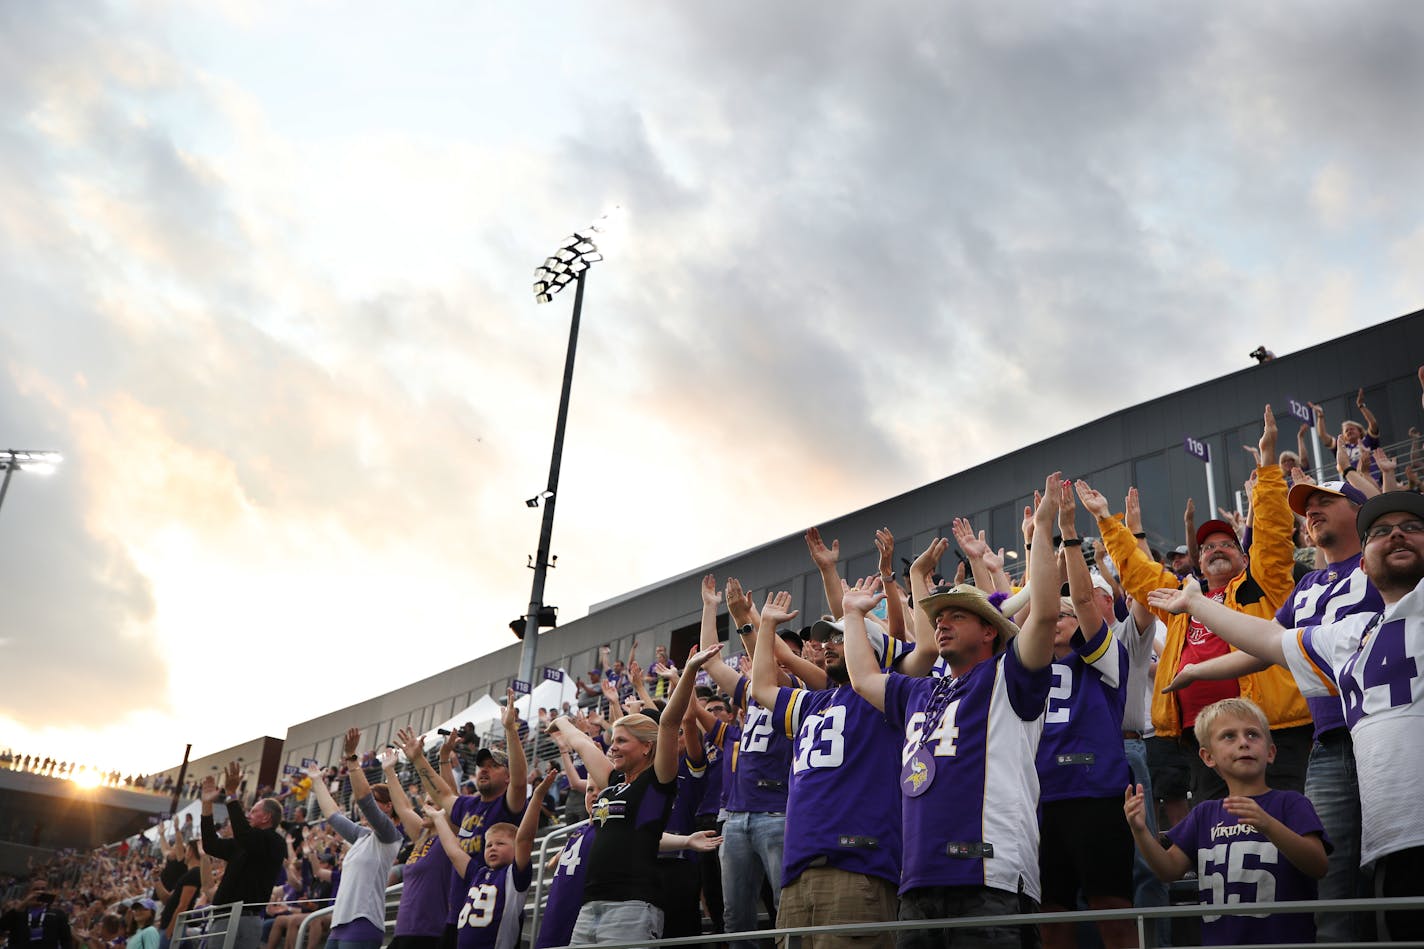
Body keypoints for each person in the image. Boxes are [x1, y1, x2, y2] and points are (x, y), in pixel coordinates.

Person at [1147, 490, 1424, 941]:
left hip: (1376, 739)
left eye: (1325, 500)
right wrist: (1196, 662)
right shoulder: (1335, 615)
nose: (1311, 511)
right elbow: (1269, 642)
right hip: (1337, 743)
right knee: (1341, 886)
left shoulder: (1400, 585)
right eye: (1306, 507)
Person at [845, 473, 1062, 949]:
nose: (941, 626)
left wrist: (1043, 530)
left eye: (955, 617)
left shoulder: (1010, 676)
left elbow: (1044, 614)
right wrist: (853, 615)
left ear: (989, 631)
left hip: (991, 878)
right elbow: (862, 679)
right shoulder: (920, 691)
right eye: (937, 620)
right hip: (919, 882)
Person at [1078, 405, 1310, 801]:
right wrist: (1105, 519)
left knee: (1281, 829)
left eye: (1226, 544)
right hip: (1200, 740)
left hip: (1271, 731)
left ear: (1243, 555)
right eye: (1207, 548)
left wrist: (1269, 466)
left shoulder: (1261, 583)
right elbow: (1137, 573)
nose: (1216, 550)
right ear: (1199, 561)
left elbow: (1271, 533)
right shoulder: (1185, 596)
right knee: (1217, 835)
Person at [752, 587, 907, 949]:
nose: (829, 645)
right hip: (797, 871)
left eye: (841, 638)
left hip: (856, 867)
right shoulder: (812, 703)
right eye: (828, 640)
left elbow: (923, 651)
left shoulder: (886, 695)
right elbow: (761, 687)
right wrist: (765, 628)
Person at [548, 641, 722, 945]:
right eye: (613, 740)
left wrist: (690, 671)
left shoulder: (658, 781)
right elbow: (585, 745)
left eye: (622, 741)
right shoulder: (614, 782)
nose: (612, 747)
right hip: (590, 906)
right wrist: (561, 721)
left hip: (632, 906)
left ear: (646, 747)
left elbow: (668, 722)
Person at [1125, 697, 1328, 946]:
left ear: (1271, 752)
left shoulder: (1291, 804)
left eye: (1253, 735)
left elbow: (1319, 866)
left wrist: (1268, 825)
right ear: (1208, 757)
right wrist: (1140, 831)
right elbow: (1168, 870)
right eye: (1229, 736)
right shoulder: (1203, 814)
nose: (1244, 743)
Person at [1033, 483, 1136, 949]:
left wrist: (1069, 533)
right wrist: (1040, 538)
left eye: (1069, 612)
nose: (1059, 616)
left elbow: (1079, 602)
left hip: (1094, 794)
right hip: (1039, 801)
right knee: (1050, 916)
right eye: (1053, 613)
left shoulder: (1103, 661)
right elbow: (1041, 602)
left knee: (1111, 910)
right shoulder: (1024, 669)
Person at [399, 691, 527, 949]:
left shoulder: (508, 806)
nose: (485, 769)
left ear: (507, 777)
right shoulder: (468, 805)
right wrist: (417, 758)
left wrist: (510, 731)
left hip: (494, 915)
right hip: (458, 913)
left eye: (494, 765)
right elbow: (441, 792)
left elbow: (521, 780)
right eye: (482, 765)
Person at [305, 727, 403, 949]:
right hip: (340, 924)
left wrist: (351, 759)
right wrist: (317, 781)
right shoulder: (362, 835)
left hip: (364, 923)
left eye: (378, 801)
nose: (365, 811)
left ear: (389, 807)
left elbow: (364, 800)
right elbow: (332, 815)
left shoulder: (389, 835)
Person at [428, 770, 548, 949]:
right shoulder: (478, 872)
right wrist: (438, 819)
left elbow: (525, 839)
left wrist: (537, 797)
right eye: (489, 845)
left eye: (500, 843)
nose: (492, 848)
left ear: (516, 849)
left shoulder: (514, 877)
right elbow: (454, 852)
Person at [200, 762, 288, 949]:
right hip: (223, 917)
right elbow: (210, 844)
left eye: (254, 811)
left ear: (266, 818)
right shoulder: (244, 842)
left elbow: (245, 834)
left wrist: (232, 795)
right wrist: (207, 805)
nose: (248, 814)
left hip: (245, 920)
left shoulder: (273, 841)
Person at [381, 750, 452, 949]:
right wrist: (389, 772)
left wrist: (422, 759)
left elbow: (449, 794)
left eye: (430, 804)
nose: (423, 808)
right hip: (403, 932)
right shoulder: (422, 835)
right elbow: (403, 807)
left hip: (429, 935)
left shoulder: (449, 838)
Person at [0, 883, 73, 949]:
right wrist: (23, 903)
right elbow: (2, 927)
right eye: (36, 889)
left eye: (43, 889)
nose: (39, 892)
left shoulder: (58, 914)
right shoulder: (18, 912)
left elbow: (66, 941)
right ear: (28, 893)